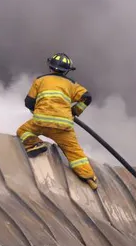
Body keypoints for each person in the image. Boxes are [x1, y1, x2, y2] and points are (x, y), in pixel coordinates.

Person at [17, 53, 98, 190]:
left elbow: (28, 102)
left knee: (23, 131)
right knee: (74, 152)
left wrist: (37, 110)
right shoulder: (72, 84)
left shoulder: (40, 80)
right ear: (67, 70)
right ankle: (89, 178)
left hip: (40, 123)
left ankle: (35, 144)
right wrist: (75, 111)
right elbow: (87, 97)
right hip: (63, 127)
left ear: (50, 67)